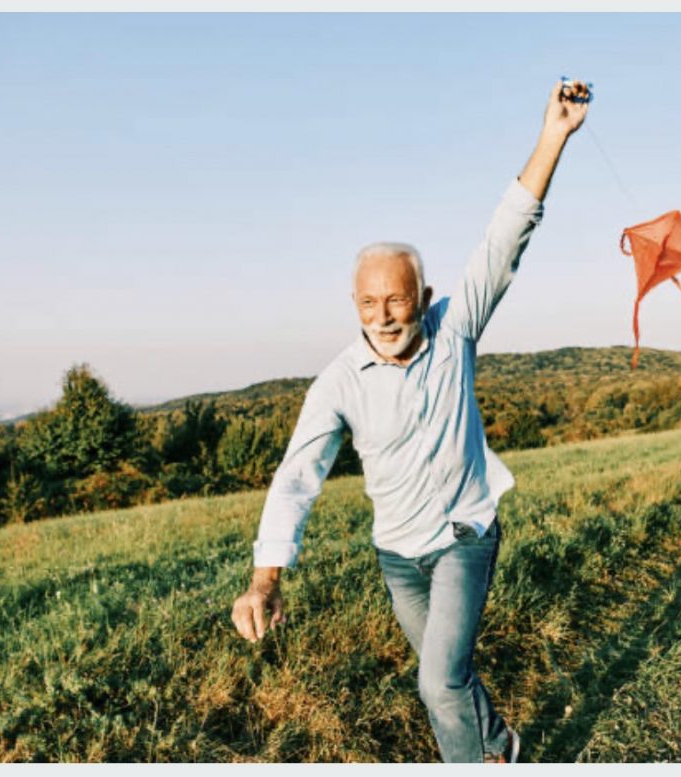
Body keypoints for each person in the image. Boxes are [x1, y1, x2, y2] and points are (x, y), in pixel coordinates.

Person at [231, 79, 591, 763]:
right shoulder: (338, 382)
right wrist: (265, 579)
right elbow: (297, 476)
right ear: (354, 305)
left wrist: (554, 134)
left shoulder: (455, 328)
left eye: (396, 300)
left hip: (464, 536)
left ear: (422, 297)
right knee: (446, 676)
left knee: (437, 681)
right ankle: (501, 745)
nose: (384, 316)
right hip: (398, 556)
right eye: (369, 303)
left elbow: (507, 234)